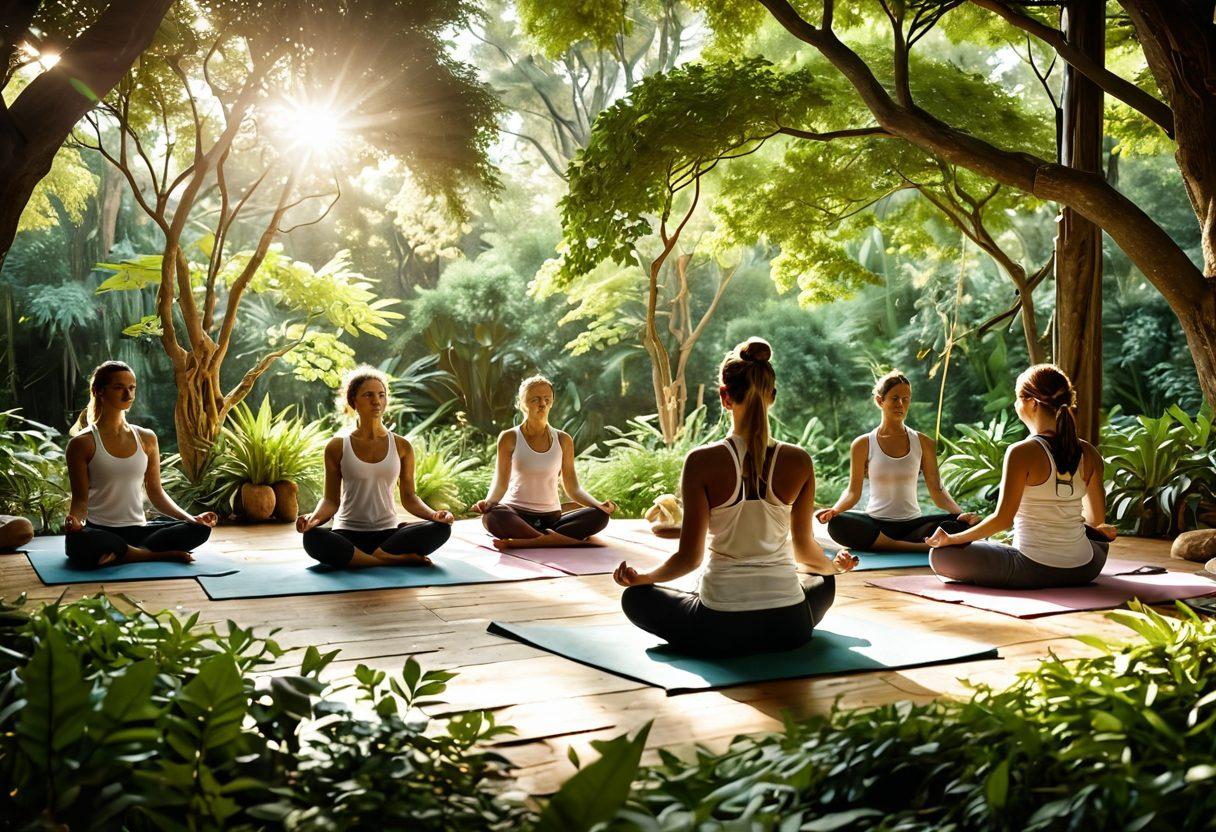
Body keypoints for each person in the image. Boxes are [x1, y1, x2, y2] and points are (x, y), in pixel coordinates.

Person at [613, 338, 857, 658]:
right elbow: (804, 549)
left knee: (635, 598)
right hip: (789, 625)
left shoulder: (701, 461)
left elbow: (689, 559)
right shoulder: (799, 461)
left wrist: (644, 578)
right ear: (772, 397)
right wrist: (834, 569)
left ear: (724, 396)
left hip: (719, 627)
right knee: (824, 580)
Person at [926, 364, 1117, 588]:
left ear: (1033, 403)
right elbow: (1096, 522)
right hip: (1085, 568)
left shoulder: (1021, 452)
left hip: (1031, 568)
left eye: (1018, 398)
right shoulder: (1089, 452)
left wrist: (952, 539)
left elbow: (1002, 519)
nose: (1016, 404)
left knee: (940, 556)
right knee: (1100, 542)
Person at [64, 361, 217, 568]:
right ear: (98, 391)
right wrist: (76, 524)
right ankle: (158, 555)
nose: (128, 395)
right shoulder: (82, 443)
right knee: (79, 542)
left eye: (132, 388)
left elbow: (156, 493)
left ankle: (125, 554)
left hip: (139, 530)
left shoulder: (146, 438)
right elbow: (80, 500)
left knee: (199, 530)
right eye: (119, 388)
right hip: (101, 530)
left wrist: (192, 518)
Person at [297, 366, 454, 568]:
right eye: (368, 395)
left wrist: (434, 515)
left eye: (381, 395)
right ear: (353, 401)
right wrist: (313, 519)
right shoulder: (337, 446)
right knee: (312, 538)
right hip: (347, 534)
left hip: (388, 535)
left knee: (442, 529)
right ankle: (389, 560)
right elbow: (330, 500)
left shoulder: (401, 446)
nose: (376, 401)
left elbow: (410, 497)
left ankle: (364, 560)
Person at [816, 370, 980, 552]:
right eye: (894, 398)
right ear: (880, 401)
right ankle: (919, 548)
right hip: (877, 524)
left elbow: (938, 490)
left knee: (961, 527)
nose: (900, 404)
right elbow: (853, 492)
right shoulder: (863, 444)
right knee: (838, 524)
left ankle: (894, 545)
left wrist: (961, 515)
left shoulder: (923, 442)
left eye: (906, 399)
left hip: (914, 526)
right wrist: (834, 510)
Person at [475, 375, 616, 550]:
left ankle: (534, 540)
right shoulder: (509, 438)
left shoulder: (564, 440)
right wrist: (488, 503)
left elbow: (573, 488)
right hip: (516, 515)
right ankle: (554, 540)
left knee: (600, 516)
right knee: (492, 516)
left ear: (551, 402)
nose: (542, 404)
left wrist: (599, 505)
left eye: (546, 399)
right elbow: (500, 483)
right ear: (521, 403)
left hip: (552, 518)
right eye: (535, 399)